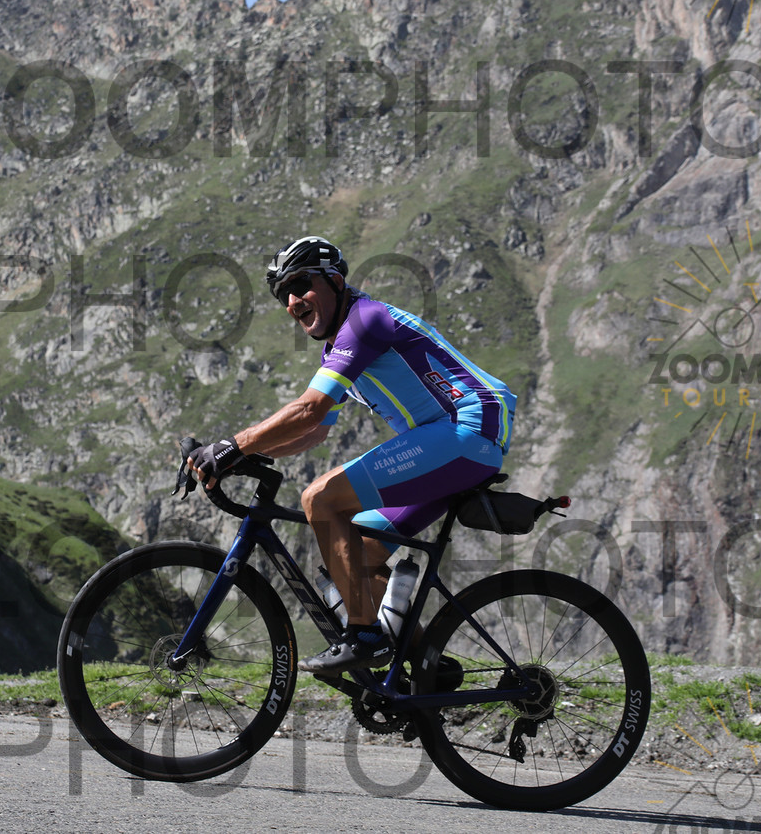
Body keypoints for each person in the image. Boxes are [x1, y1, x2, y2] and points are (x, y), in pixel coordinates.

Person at [185, 236, 517, 673]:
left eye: (300, 285)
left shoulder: (366, 321)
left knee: (320, 499)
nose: (292, 302)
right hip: (451, 443)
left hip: (468, 430)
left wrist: (233, 445)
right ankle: (428, 672)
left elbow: (309, 410)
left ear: (336, 282)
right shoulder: (340, 343)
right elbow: (315, 432)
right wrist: (240, 458)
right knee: (356, 556)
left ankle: (365, 638)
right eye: (283, 295)